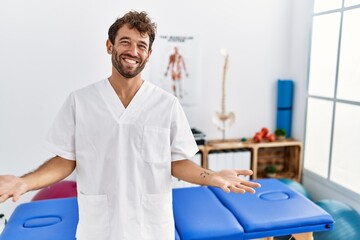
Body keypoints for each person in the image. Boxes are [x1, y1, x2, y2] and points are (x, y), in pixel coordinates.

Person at [0, 11, 260, 240]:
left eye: (141, 45)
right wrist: (24, 183)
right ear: (109, 46)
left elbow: (177, 162)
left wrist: (211, 176)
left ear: (149, 54)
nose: (133, 51)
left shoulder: (166, 105)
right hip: (98, 229)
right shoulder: (81, 101)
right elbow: (66, 160)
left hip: (152, 229)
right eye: (125, 41)